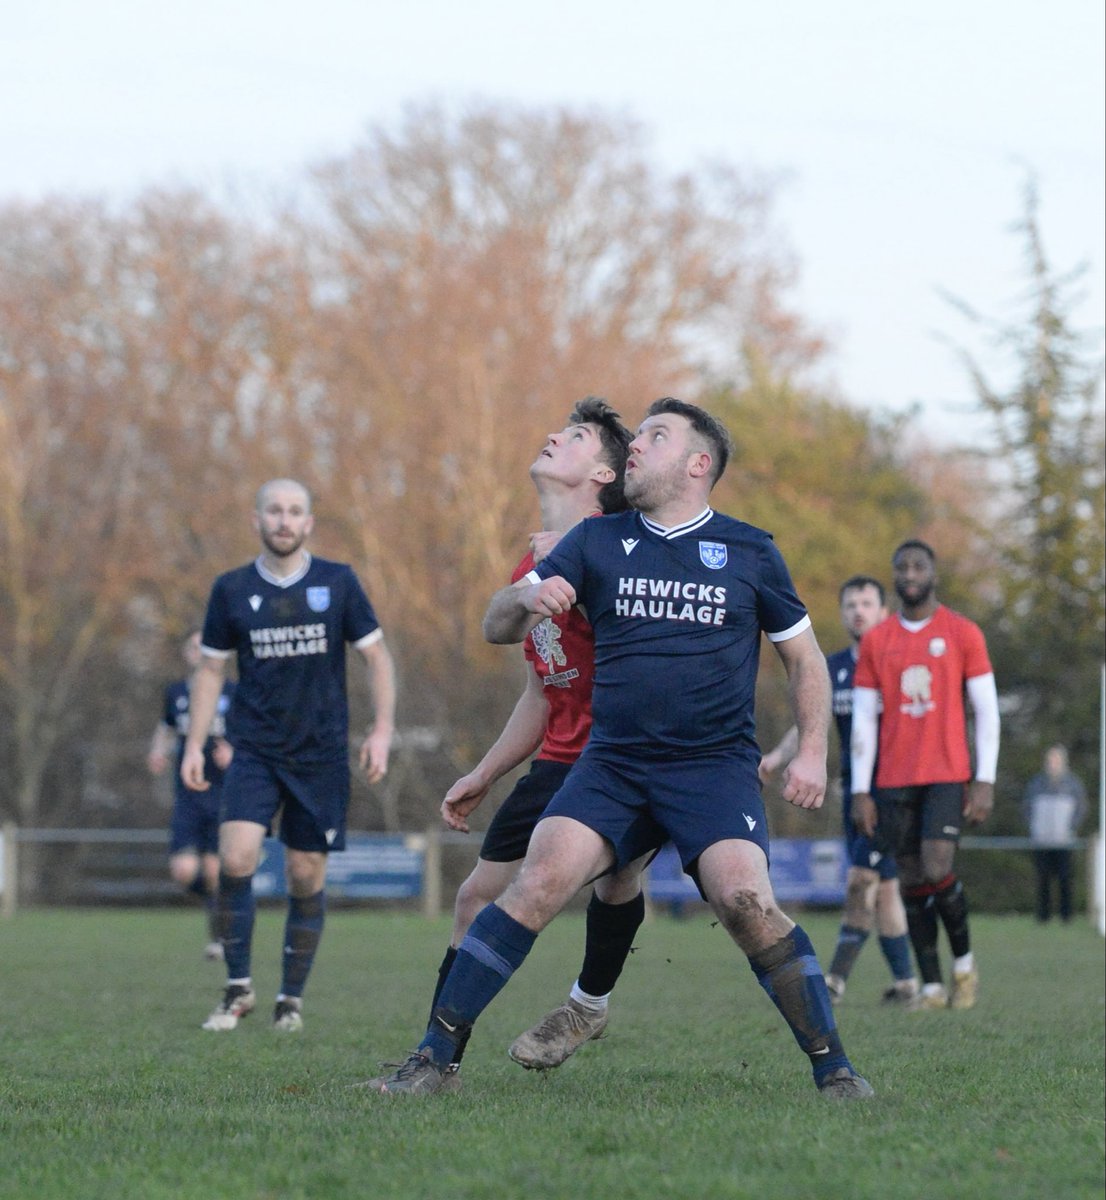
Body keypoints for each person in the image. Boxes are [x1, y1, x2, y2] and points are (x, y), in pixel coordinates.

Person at [370, 397, 872, 1099]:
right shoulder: (599, 541)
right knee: (539, 879)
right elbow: (496, 623)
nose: (637, 444)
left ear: (699, 465)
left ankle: (836, 1071)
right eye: (637, 436)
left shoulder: (751, 550)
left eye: (656, 437)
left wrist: (814, 748)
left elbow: (807, 660)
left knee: (745, 900)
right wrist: (527, 598)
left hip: (711, 768)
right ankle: (431, 1063)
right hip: (613, 765)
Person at [367, 397, 642, 1089]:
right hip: (556, 760)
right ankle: (439, 1061)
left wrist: (584, 576)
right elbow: (535, 683)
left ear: (605, 472)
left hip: (622, 758)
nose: (552, 435)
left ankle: (589, 1002)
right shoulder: (534, 555)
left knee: (618, 881)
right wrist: (485, 771)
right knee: (473, 897)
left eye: (574, 436)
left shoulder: (625, 547)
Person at [182, 478, 396, 1033]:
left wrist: (381, 730)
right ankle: (236, 989)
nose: (284, 520)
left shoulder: (338, 582)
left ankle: (290, 1000)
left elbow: (377, 658)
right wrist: (193, 745)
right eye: (274, 511)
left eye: (295, 511)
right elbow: (209, 670)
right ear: (256, 520)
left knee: (304, 875)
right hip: (253, 748)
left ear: (309, 523)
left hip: (320, 755)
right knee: (236, 860)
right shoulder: (230, 589)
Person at [851, 539, 1000, 1011]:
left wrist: (985, 779)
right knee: (912, 880)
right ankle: (934, 988)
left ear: (933, 573)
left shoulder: (962, 632)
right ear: (895, 576)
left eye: (919, 566)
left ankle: (965, 966)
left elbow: (987, 711)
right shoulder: (878, 640)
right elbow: (862, 721)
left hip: (946, 773)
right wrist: (860, 789)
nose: (910, 573)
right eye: (902, 567)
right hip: (893, 779)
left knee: (937, 866)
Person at [760, 576, 918, 1006]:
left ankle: (834, 980)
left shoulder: (901, 665)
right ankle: (906, 984)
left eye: (867, 603)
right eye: (851, 604)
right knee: (884, 888)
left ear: (884, 612)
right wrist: (776, 757)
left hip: (891, 795)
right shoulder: (834, 668)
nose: (858, 611)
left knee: (860, 879)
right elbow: (809, 719)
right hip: (855, 794)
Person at [147, 629, 236, 961]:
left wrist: (235, 753)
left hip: (222, 794)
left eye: (206, 647)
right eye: (194, 647)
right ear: (186, 654)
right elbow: (166, 728)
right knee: (184, 870)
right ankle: (222, 912)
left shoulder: (233, 693)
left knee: (215, 870)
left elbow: (252, 735)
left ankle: (219, 938)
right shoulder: (176, 693)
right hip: (187, 794)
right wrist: (158, 751)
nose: (199, 653)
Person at [1023, 745, 1087, 923]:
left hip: (1063, 840)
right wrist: (1034, 828)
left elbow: (1081, 808)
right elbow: (1027, 808)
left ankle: (1066, 916)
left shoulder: (1073, 784)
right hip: (1042, 840)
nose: (1053, 764)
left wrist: (1071, 828)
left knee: (1065, 878)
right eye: (1050, 760)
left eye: (1056, 760)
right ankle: (1043, 916)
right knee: (1043, 878)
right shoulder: (1036, 784)